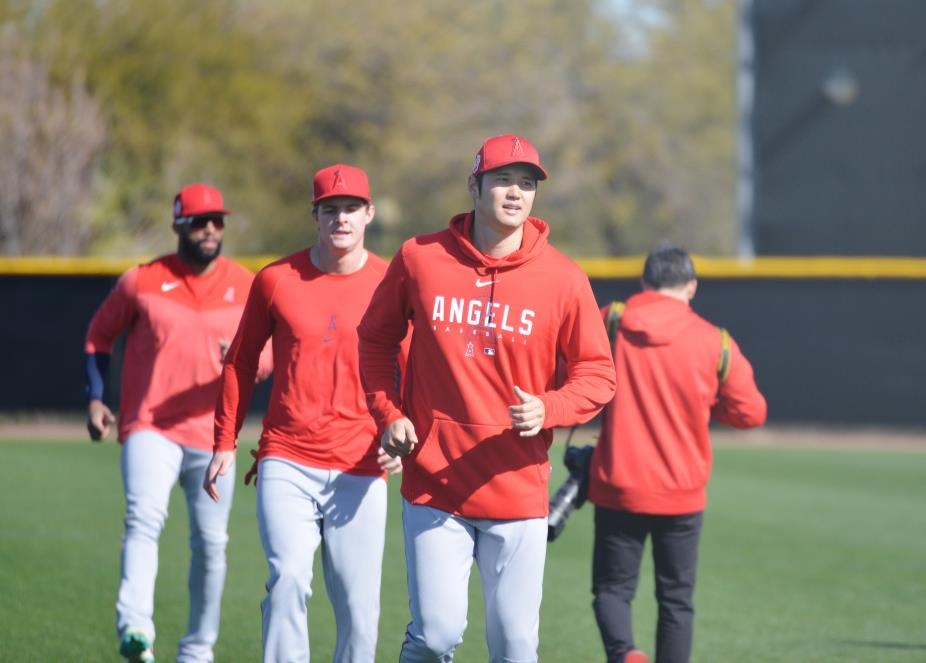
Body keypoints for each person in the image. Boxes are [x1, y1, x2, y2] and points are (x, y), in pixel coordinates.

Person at [357, 133, 618, 662]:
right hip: (435, 483)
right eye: (503, 180)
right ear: (474, 186)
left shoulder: (564, 278)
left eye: (527, 184)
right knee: (435, 636)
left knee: (516, 646)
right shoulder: (419, 258)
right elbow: (374, 341)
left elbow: (598, 374)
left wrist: (551, 407)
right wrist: (388, 413)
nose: (516, 192)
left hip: (517, 488)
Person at [203, 163, 403, 663]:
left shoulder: (390, 283)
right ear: (315, 215)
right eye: (330, 209)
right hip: (287, 458)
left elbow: (417, 370)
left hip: (362, 464)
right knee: (289, 576)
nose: (341, 218)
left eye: (351, 208)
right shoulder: (276, 279)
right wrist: (224, 442)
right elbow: (241, 361)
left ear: (369, 214)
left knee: (359, 611)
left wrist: (404, 438)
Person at [85, 183, 272, 663]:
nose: (209, 230)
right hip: (151, 426)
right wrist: (96, 398)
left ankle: (197, 649)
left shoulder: (247, 284)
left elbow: (272, 355)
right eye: (197, 221)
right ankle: (136, 630)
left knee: (211, 544)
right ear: (178, 226)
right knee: (143, 520)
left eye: (216, 221)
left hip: (217, 437)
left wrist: (249, 359)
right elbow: (99, 337)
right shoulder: (142, 281)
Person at [587, 244, 768, 663]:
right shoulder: (714, 340)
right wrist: (710, 406)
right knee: (676, 601)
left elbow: (573, 369)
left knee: (612, 590)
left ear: (645, 283)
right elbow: (751, 412)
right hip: (682, 493)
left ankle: (624, 654)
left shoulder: (612, 320)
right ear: (691, 288)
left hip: (619, 485)